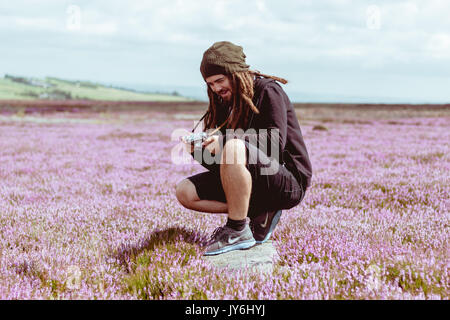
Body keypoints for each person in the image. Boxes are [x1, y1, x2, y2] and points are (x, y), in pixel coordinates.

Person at [176, 41, 312, 256]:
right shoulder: (224, 101)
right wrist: (198, 150)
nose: (216, 88)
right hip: (253, 181)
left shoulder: (268, 91)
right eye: (210, 84)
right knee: (185, 192)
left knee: (233, 146)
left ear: (235, 73)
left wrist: (226, 141)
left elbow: (275, 145)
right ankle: (258, 210)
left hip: (288, 182)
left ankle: (237, 229)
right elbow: (222, 166)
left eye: (219, 80)